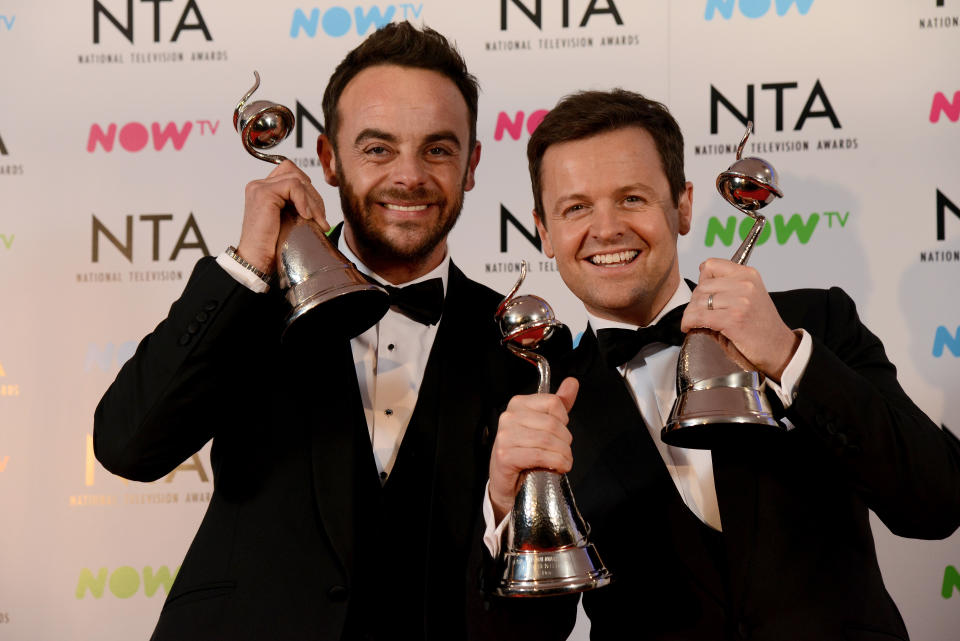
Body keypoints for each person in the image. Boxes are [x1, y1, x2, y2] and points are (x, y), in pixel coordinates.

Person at [94, 22, 540, 641]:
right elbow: (127, 445)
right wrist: (249, 267)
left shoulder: (520, 342)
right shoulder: (251, 303)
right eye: (377, 149)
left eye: (437, 149)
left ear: (471, 165)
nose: (408, 176)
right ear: (329, 160)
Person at [481, 89, 960, 640]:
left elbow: (935, 503)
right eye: (576, 207)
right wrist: (503, 504)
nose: (606, 227)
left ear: (682, 206)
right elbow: (524, 632)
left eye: (632, 198)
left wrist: (786, 355)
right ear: (543, 231)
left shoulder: (813, 322)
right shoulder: (531, 401)